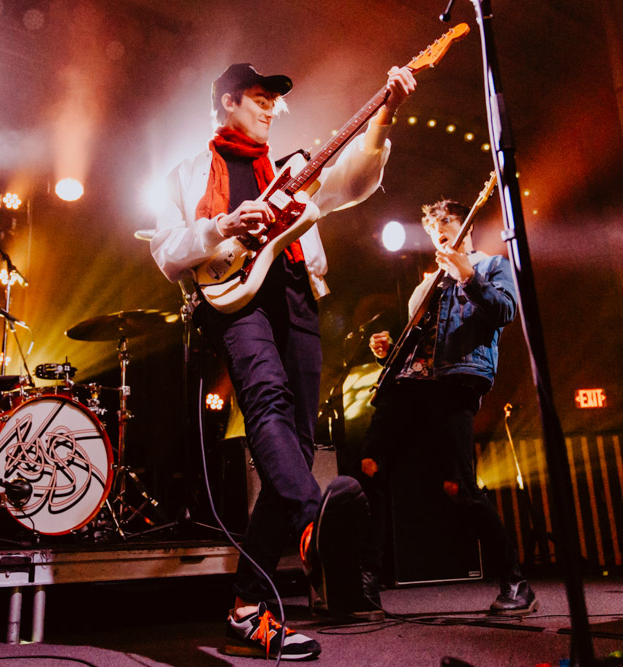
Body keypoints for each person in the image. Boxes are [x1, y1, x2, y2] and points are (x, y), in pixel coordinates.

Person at [151, 62, 416, 660]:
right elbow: (165, 250)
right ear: (227, 101)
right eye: (259, 97)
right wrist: (221, 224)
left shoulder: (294, 168)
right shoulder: (188, 173)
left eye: (275, 100)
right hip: (232, 301)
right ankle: (313, 518)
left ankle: (247, 609)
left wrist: (386, 114)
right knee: (267, 401)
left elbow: (354, 183)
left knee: (293, 452)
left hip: (296, 295)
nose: (271, 108)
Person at [354, 199, 535, 615]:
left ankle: (516, 581)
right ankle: (366, 584)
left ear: (466, 226)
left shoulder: (490, 265)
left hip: (454, 384)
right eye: (432, 224)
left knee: (458, 488)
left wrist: (467, 275)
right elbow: (418, 346)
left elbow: (505, 310)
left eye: (447, 220)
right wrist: (387, 354)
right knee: (370, 466)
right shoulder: (424, 286)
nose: (439, 227)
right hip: (409, 385)